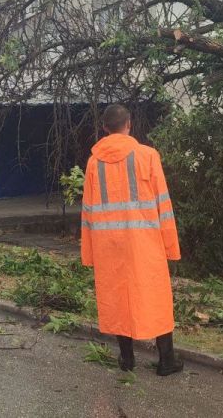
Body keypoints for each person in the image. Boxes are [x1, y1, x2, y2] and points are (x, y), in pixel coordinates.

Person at [80, 104, 183, 376]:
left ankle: (127, 360)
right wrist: (171, 247)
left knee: (117, 300)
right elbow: (164, 204)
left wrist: (88, 253)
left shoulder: (93, 162)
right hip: (145, 242)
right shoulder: (148, 156)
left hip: (107, 245)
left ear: (104, 128)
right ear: (129, 124)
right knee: (156, 297)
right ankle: (166, 361)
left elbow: (87, 211)